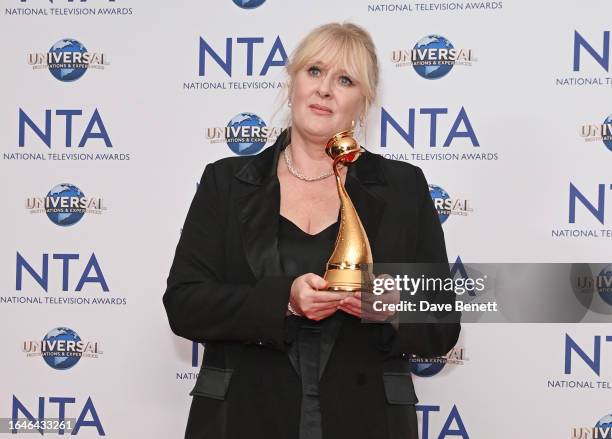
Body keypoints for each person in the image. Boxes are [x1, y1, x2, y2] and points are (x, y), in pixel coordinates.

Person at [163, 22, 460, 439]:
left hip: (366, 420)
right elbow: (184, 303)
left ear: (364, 101)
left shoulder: (403, 188)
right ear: (293, 82)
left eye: (345, 79)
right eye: (314, 71)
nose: (325, 90)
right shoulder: (227, 182)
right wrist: (282, 300)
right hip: (242, 417)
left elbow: (442, 325)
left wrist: (391, 305)